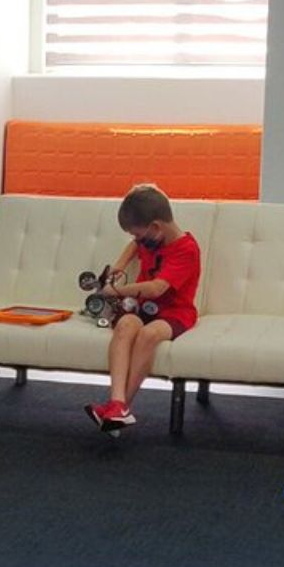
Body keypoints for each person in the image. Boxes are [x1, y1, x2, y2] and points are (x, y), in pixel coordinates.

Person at [85, 184, 202, 433]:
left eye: (139, 235)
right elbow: (133, 246)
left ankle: (121, 407)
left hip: (175, 313)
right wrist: (119, 265)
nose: (138, 241)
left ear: (156, 227)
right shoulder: (150, 240)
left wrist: (116, 291)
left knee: (149, 334)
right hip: (142, 309)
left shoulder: (186, 249)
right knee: (126, 324)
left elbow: (156, 288)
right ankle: (117, 403)